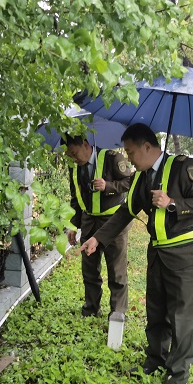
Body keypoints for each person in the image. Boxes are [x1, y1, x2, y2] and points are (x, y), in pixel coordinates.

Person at [79, 123, 193, 384]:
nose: (128, 159)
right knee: (156, 312)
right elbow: (125, 213)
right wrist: (97, 239)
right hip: (158, 254)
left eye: (130, 152)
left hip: (186, 256)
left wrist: (172, 202)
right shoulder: (142, 178)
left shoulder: (184, 167)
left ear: (147, 147)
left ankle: (176, 378)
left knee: (182, 319)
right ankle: (155, 359)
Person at [63, 135, 133, 317]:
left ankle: (117, 312)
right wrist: (73, 225)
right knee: (89, 268)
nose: (74, 158)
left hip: (113, 222)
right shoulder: (74, 167)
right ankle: (91, 308)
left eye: (75, 153)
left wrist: (108, 185)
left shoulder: (112, 158)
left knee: (116, 270)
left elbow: (130, 181)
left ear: (85, 144)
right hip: (89, 222)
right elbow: (76, 197)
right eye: (70, 155)